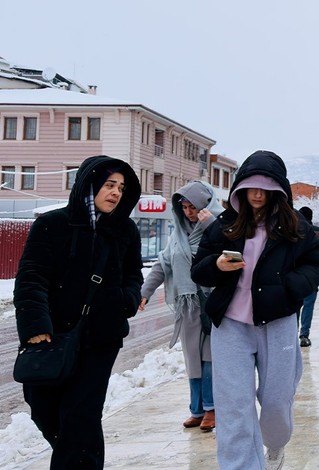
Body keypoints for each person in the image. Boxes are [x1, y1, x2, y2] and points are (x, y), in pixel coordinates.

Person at [191, 150, 319, 470]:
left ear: (278, 190)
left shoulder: (297, 227)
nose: (256, 193)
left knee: (277, 401)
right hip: (231, 326)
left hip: (277, 322)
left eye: (264, 187)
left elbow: (315, 265)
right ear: (240, 188)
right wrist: (218, 265)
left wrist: (290, 288)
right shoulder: (224, 226)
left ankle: (276, 445)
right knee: (234, 406)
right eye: (250, 186)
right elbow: (199, 269)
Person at [14, 155, 142, 469]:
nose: (115, 193)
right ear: (89, 184)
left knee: (80, 414)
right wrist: (34, 327)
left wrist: (124, 300)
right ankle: (79, 456)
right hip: (52, 334)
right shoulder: (52, 224)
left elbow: (133, 275)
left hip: (102, 338)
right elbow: (31, 277)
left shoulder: (125, 230)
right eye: (109, 184)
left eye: (121, 188)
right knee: (43, 408)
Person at [138, 180, 223, 432]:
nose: (188, 212)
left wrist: (212, 225)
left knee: (210, 358)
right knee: (192, 359)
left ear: (205, 204)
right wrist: (145, 292)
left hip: (214, 303)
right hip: (187, 305)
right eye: (184, 207)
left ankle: (211, 408)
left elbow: (233, 250)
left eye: (193, 206)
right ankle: (196, 410)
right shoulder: (178, 234)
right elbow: (163, 264)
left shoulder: (221, 226)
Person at [297, 206, 319, 347]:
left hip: (295, 274)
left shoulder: (294, 230)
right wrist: (316, 263)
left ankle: (292, 333)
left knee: (294, 305)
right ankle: (304, 335)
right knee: (308, 305)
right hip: (311, 276)